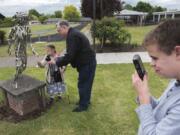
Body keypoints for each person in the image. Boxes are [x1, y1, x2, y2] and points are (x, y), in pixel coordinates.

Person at [132, 19, 180, 135]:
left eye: (155, 58)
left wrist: (144, 98)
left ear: (178, 52)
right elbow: (160, 108)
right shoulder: (176, 80)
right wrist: (143, 94)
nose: (151, 64)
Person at [49, 21, 96, 112]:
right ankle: (85, 101)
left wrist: (56, 61)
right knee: (85, 83)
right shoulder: (72, 34)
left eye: (59, 30)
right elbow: (71, 54)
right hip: (86, 63)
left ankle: (83, 106)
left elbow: (70, 56)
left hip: (87, 64)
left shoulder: (72, 36)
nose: (59, 33)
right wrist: (62, 65)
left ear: (64, 27)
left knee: (83, 84)